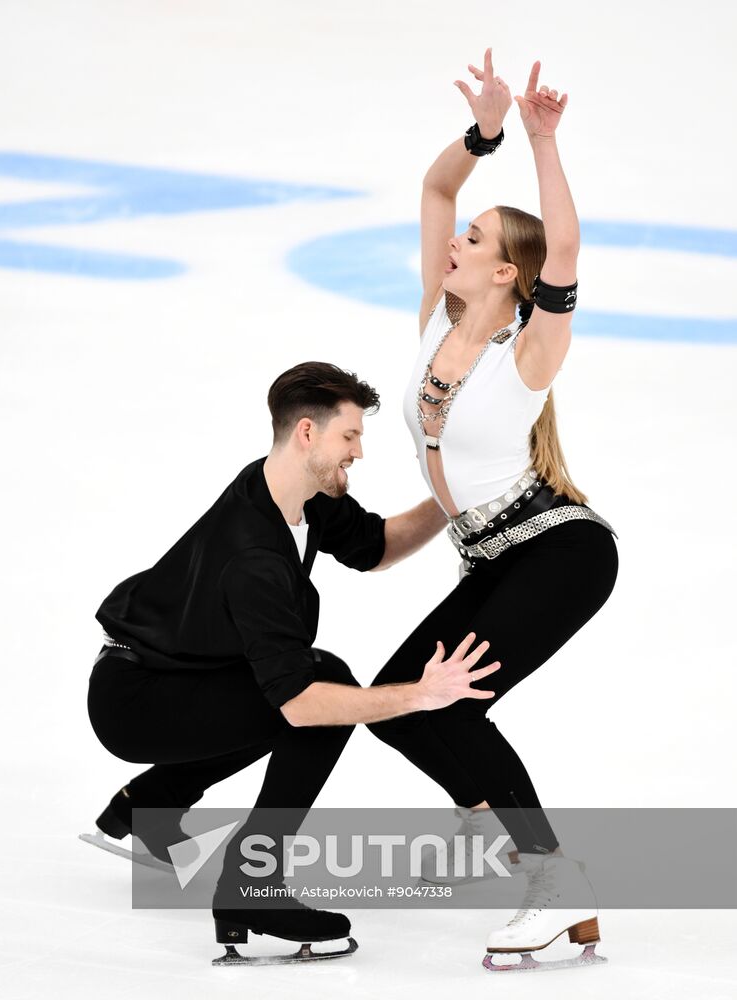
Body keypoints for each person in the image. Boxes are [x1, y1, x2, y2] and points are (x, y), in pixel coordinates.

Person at [85, 361, 501, 965]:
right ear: (308, 432)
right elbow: (303, 704)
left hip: (174, 674)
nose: (359, 452)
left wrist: (449, 496)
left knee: (301, 679)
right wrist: (419, 694)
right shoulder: (252, 556)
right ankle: (252, 882)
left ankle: (151, 804)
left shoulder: (293, 491)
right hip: (138, 699)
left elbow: (377, 547)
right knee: (317, 689)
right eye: (350, 436)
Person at [366, 49, 618, 971]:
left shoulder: (530, 353)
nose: (453, 243)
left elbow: (563, 247)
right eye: (458, 236)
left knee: (455, 708)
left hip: (558, 551)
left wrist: (544, 141)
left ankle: (552, 880)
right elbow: (437, 185)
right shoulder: (437, 317)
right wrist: (485, 131)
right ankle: (546, 872)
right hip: (490, 556)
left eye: (473, 240)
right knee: (399, 707)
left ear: (510, 272)